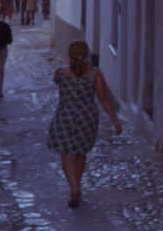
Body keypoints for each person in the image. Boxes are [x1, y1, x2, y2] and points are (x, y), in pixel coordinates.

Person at [47, 40, 122, 208]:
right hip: (87, 119)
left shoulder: (60, 74)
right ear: (87, 54)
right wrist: (115, 121)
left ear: (69, 55)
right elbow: (103, 99)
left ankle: (74, 188)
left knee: (67, 154)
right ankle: (77, 186)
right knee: (80, 153)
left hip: (65, 118)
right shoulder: (95, 75)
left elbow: (58, 81)